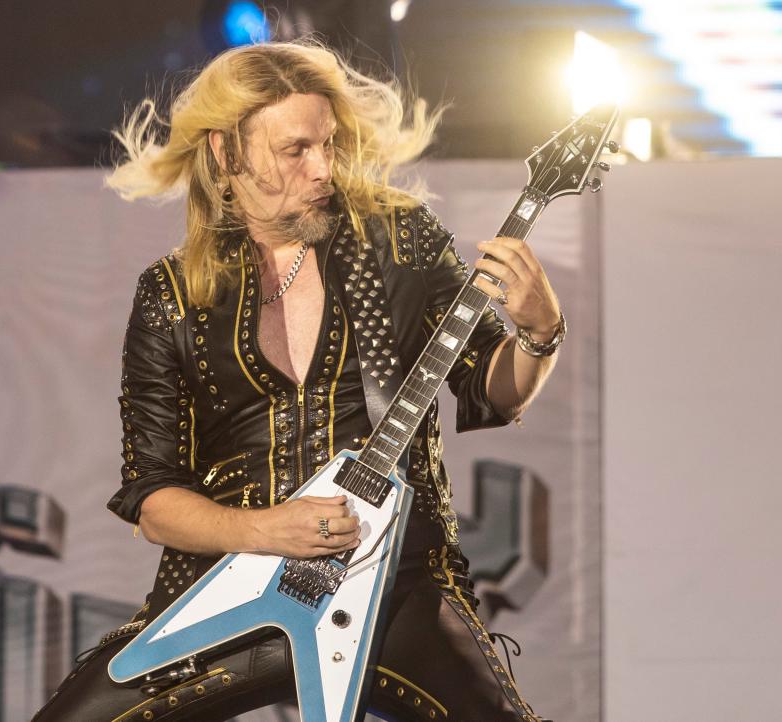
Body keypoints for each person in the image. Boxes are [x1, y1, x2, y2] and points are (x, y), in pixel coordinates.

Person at [31, 39, 563, 722]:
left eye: (329, 144)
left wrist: (540, 332)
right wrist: (267, 531)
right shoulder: (171, 293)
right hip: (222, 587)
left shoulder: (401, 240)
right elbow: (155, 499)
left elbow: (494, 389)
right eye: (295, 150)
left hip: (395, 584)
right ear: (226, 154)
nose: (323, 169)